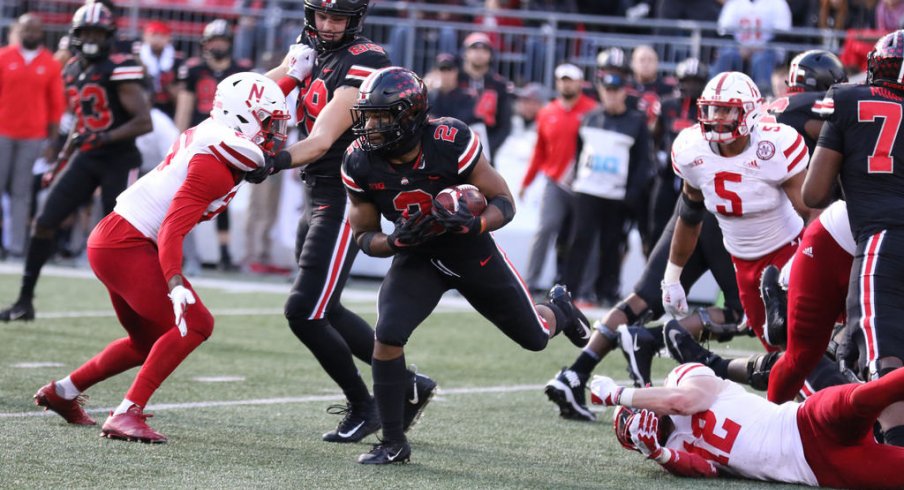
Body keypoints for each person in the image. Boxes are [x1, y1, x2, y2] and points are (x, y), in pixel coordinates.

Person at [341, 67, 591, 464]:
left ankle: (558, 309)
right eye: (368, 116)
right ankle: (392, 442)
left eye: (382, 117)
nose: (371, 126)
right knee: (387, 334)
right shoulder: (359, 161)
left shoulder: (449, 139)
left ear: (410, 116)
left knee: (535, 338)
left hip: (470, 250)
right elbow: (363, 235)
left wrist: (475, 223)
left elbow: (504, 202)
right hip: (418, 255)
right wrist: (393, 241)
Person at [33, 72, 289, 442]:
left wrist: (294, 74)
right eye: (267, 123)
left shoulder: (217, 133)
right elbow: (172, 227)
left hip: (116, 237)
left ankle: (63, 391)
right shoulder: (214, 164)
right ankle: (126, 413)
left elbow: (251, 97)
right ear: (242, 119)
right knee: (197, 323)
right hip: (128, 242)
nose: (273, 133)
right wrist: (174, 282)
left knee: (147, 341)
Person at [257, 0, 436, 444]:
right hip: (316, 192)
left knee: (304, 311)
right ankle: (408, 385)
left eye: (338, 18)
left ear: (355, 20)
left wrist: (266, 160)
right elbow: (262, 90)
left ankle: (366, 403)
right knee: (326, 307)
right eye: (322, 15)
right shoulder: (308, 45)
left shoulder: (366, 59)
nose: (329, 25)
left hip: (342, 195)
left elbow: (319, 142)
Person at [0, 3, 151, 322]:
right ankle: (25, 301)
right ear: (76, 36)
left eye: (98, 33)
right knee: (43, 222)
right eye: (87, 33)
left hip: (119, 159)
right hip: (88, 155)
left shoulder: (119, 66)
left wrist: (105, 138)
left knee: (122, 236)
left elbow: (143, 122)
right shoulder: (70, 69)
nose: (92, 39)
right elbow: (83, 124)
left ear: (109, 36)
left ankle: (144, 307)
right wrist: (62, 159)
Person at [545, 199, 744, 420]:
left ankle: (575, 372)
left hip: (689, 209)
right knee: (742, 312)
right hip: (727, 212)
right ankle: (648, 339)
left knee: (643, 299)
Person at [802, 29, 904, 446]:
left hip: (883, 241)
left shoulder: (846, 99)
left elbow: (813, 193)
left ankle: (896, 444)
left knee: (881, 349)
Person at [664, 71, 813, 351]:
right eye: (712, 109)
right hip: (742, 263)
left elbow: (813, 213)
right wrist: (672, 278)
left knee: (810, 341)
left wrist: (802, 260)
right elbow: (690, 214)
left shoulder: (774, 145)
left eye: (726, 110)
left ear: (751, 114)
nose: (716, 117)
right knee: (774, 348)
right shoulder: (691, 148)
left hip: (788, 248)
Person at [590, 363, 904, 488]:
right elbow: (706, 469)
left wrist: (619, 394)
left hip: (803, 421)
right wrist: (657, 453)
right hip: (818, 468)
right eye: (633, 430)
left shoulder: (682, 378)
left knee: (870, 395)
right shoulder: (672, 451)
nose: (643, 421)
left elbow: (684, 401)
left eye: (636, 412)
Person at [563, 70, 652, 307]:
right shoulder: (590, 118)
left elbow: (644, 160)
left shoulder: (635, 122)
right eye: (607, 90)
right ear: (601, 91)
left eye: (616, 91)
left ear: (624, 92)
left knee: (612, 245)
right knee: (579, 241)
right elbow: (580, 151)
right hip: (587, 190)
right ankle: (568, 289)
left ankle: (607, 292)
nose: (611, 95)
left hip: (616, 194)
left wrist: (632, 191)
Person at [176, 19, 252, 272]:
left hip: (227, 142)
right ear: (206, 44)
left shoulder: (241, 71)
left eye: (221, 40)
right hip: (200, 139)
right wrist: (180, 138)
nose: (218, 45)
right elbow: (185, 106)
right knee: (188, 197)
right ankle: (182, 251)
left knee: (223, 197)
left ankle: (224, 254)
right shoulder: (194, 70)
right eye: (213, 41)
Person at [519, 63, 597, 293]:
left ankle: (585, 288)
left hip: (585, 184)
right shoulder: (547, 112)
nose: (566, 84)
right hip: (555, 182)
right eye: (562, 79)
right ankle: (530, 283)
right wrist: (526, 181)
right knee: (545, 229)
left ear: (580, 83)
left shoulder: (593, 111)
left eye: (570, 80)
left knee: (584, 236)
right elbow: (539, 152)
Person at [0, 13, 65, 258]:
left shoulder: (49, 63)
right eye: (26, 30)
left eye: (35, 31)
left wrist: (52, 140)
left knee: (21, 192)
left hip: (32, 136)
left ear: (41, 33)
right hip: (2, 132)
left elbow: (56, 105)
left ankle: (16, 246)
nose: (31, 34)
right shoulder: (4, 57)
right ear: (19, 30)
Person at [713, 0, 792, 94]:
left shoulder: (778, 3)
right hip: (738, 49)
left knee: (761, 59)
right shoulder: (734, 2)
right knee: (727, 56)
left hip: (768, 49)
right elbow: (724, 32)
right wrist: (740, 48)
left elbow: (782, 33)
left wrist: (761, 47)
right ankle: (716, 93)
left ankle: (763, 98)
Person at [458, 32, 513, 163]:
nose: (479, 54)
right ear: (465, 52)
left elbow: (505, 125)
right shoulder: (455, 79)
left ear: (490, 55)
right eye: (474, 49)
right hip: (455, 147)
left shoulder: (499, 85)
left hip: (486, 152)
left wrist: (488, 147)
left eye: (484, 50)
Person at [139, 21, 182, 119]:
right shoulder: (136, 58)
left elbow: (182, 97)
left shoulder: (177, 61)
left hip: (168, 107)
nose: (157, 39)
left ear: (169, 38)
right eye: (153, 35)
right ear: (145, 36)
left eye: (162, 35)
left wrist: (168, 83)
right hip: (144, 107)